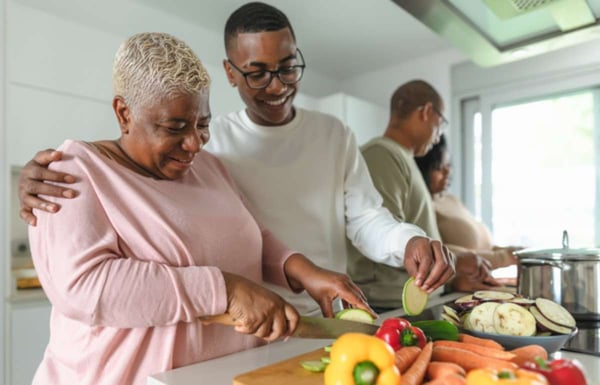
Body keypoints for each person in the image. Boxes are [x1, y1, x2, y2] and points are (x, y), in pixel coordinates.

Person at [18, 2, 456, 316]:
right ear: (230, 72)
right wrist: (57, 169)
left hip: (328, 310)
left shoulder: (330, 135)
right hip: (243, 320)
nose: (277, 85)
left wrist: (407, 241)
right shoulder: (209, 147)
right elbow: (126, 181)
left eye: (287, 67)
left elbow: (362, 219)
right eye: (257, 72)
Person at [27, 32, 375, 385]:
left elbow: (253, 235)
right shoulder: (68, 173)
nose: (193, 144)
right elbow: (85, 287)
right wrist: (225, 290)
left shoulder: (209, 167)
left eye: (203, 124)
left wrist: (304, 271)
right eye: (174, 127)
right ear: (124, 113)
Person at [348, 80, 502, 311]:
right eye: (441, 123)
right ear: (427, 112)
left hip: (416, 302)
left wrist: (455, 266)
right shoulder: (381, 154)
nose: (439, 135)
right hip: (390, 306)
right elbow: (380, 237)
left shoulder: (403, 158)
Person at [415, 134, 520, 269]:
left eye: (448, 165)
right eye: (439, 167)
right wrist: (503, 258)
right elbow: (436, 252)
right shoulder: (422, 206)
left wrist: (514, 252)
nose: (448, 172)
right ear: (422, 169)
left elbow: (483, 247)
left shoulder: (452, 200)